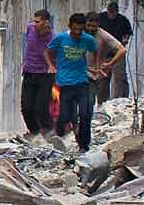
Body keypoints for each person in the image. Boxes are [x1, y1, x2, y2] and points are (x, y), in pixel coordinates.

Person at [47, 11, 123, 153]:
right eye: (89, 26)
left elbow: (120, 50)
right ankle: (75, 134)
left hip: (90, 80)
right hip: (70, 80)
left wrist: (106, 65)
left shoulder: (99, 36)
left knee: (86, 113)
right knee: (70, 113)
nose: (91, 29)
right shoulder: (68, 37)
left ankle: (84, 145)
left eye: (94, 26)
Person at [20, 9, 56, 138]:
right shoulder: (30, 28)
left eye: (38, 22)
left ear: (46, 22)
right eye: (34, 21)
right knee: (26, 108)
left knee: (41, 108)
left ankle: (50, 132)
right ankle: (35, 133)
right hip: (29, 73)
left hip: (45, 75)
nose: (35, 24)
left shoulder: (53, 38)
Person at [98, 0, 135, 100]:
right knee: (103, 77)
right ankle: (102, 101)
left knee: (120, 77)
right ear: (107, 11)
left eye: (113, 13)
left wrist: (125, 39)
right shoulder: (100, 18)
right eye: (110, 13)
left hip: (118, 51)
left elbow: (128, 33)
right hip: (104, 52)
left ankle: (121, 100)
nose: (111, 15)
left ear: (117, 12)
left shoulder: (123, 20)